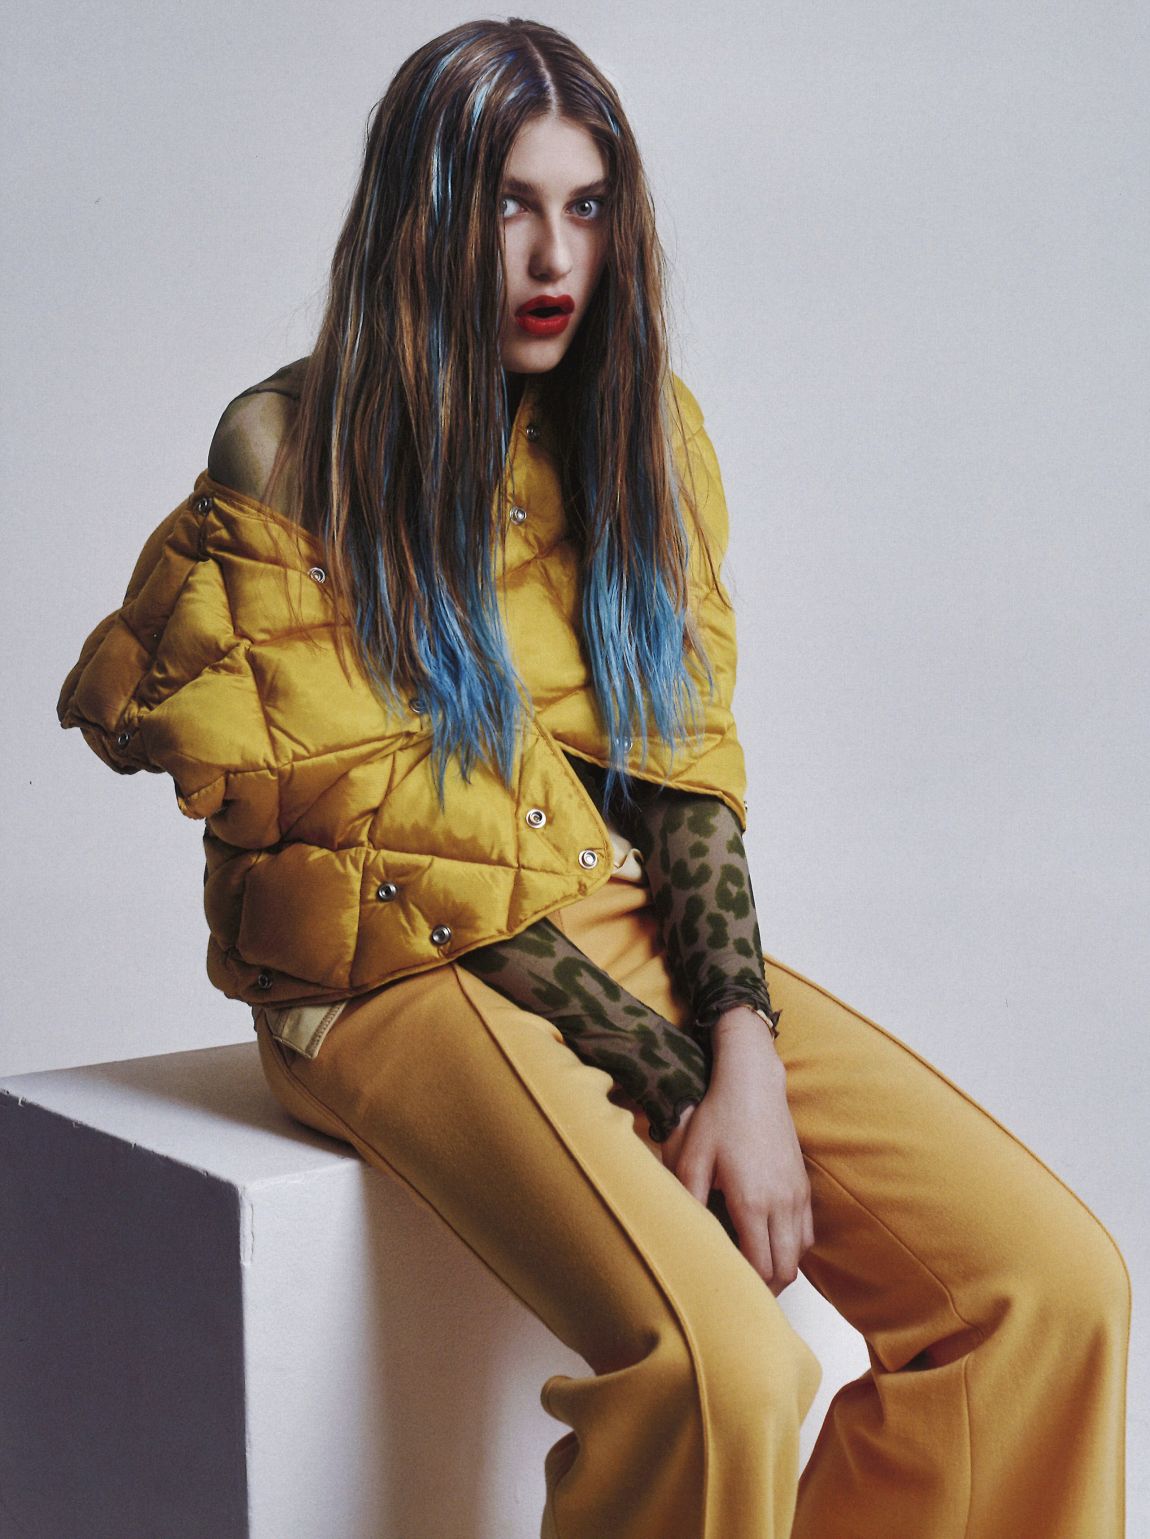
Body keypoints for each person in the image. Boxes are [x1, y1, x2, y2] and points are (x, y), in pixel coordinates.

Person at [57, 17, 1130, 1538]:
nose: (554, 256)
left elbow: (679, 768)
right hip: (376, 967)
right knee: (721, 1372)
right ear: (425, 218)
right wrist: (672, 1082)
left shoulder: (636, 427)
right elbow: (385, 843)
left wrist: (741, 1053)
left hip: (590, 910)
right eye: (509, 204)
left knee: (1046, 1292)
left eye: (586, 205)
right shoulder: (286, 453)